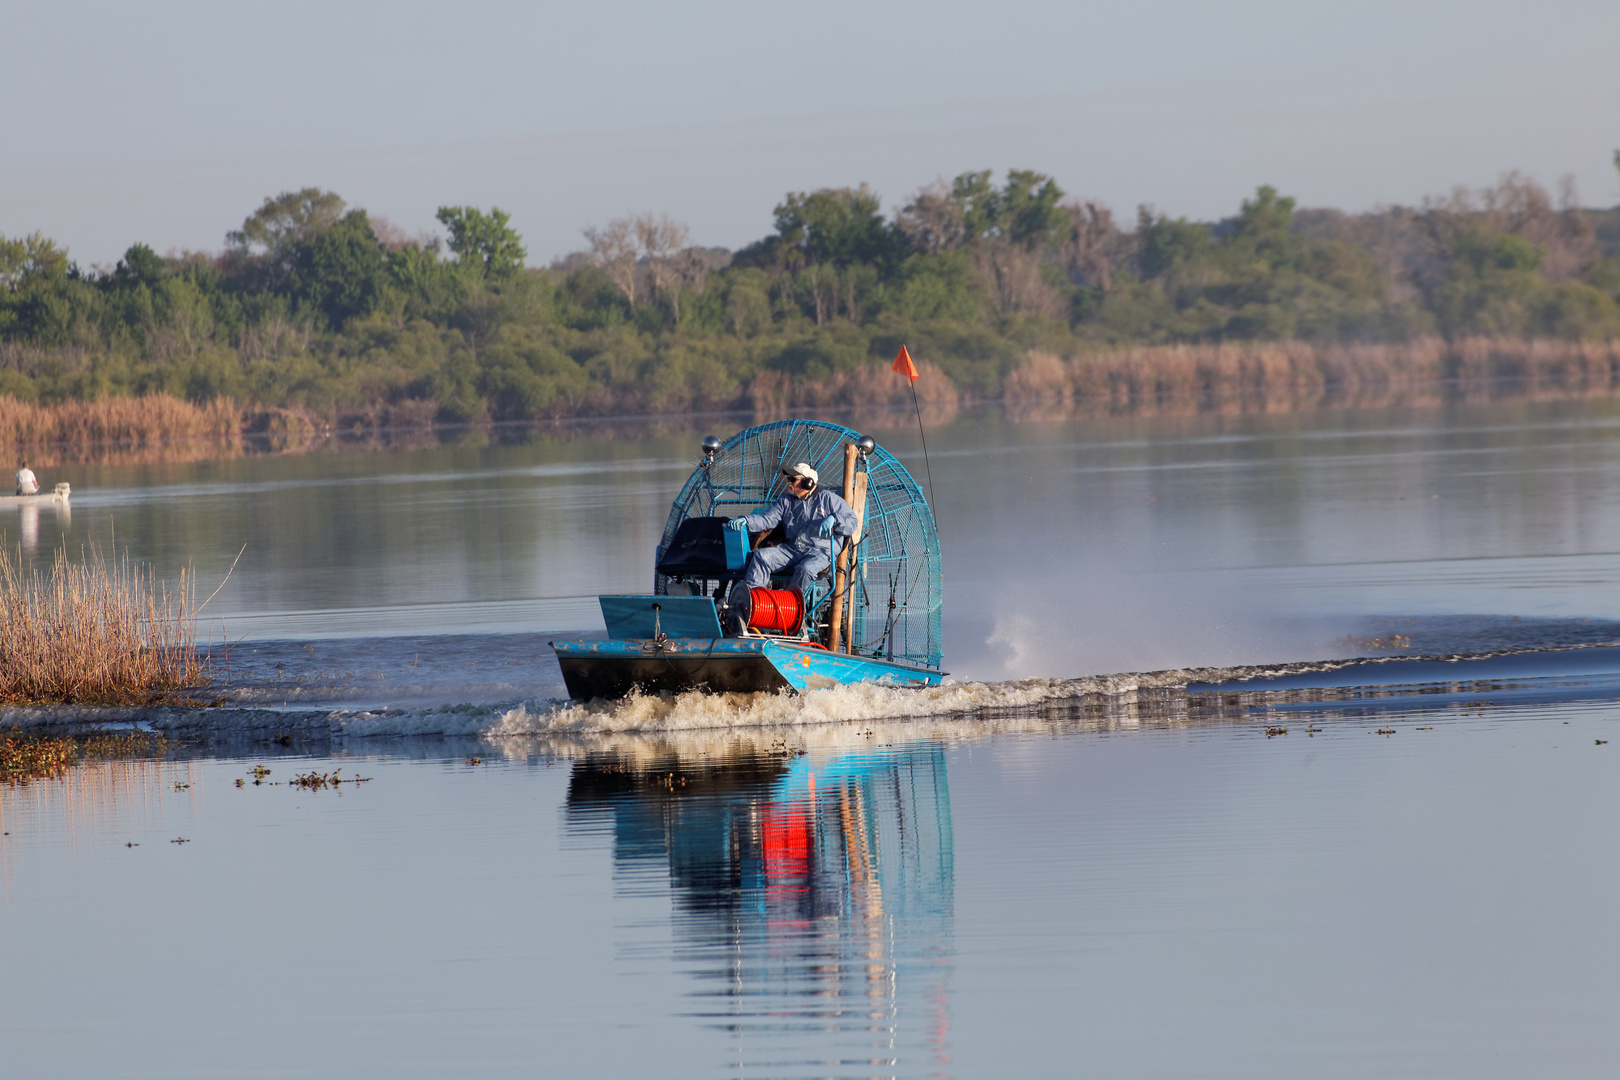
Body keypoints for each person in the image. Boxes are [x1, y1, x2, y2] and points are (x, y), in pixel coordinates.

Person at [725, 463, 857, 632]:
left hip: (821, 552)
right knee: (761, 557)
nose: (789, 483)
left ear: (808, 482)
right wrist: (747, 521)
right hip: (793, 548)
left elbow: (852, 523)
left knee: (806, 569)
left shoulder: (829, 499)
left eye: (793, 479)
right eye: (789, 479)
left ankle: (789, 614)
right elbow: (768, 520)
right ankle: (753, 607)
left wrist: (835, 519)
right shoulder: (785, 500)